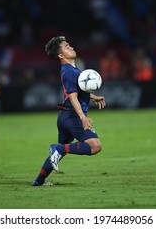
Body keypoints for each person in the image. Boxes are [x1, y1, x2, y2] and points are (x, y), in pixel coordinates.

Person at [31, 36, 106, 186]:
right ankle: (56, 148)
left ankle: (38, 181)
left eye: (69, 45)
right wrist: (82, 117)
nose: (71, 47)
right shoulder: (69, 71)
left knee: (59, 154)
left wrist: (92, 97)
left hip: (65, 116)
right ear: (60, 55)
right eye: (66, 47)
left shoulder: (71, 69)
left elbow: (76, 92)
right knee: (95, 146)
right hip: (72, 116)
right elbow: (73, 98)